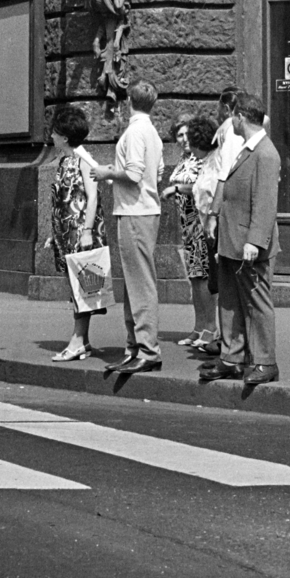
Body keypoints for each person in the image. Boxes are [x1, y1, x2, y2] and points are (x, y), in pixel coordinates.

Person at [199, 93, 281, 390]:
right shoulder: (248, 149)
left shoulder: (265, 153)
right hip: (231, 240)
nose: (230, 120)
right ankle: (232, 358)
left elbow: (265, 203)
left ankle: (265, 362)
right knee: (231, 301)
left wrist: (255, 241)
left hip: (249, 244)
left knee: (257, 302)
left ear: (241, 118)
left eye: (233, 116)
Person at [91, 80, 164, 375]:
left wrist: (106, 172)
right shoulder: (152, 132)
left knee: (140, 282)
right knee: (136, 281)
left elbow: (133, 173)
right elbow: (155, 172)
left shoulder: (134, 131)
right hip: (144, 210)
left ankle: (147, 349)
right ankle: (135, 346)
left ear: (128, 102)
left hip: (135, 212)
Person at [188, 87, 248, 358]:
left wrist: (213, 215)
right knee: (223, 281)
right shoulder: (230, 132)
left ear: (226, 108)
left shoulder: (228, 132)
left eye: (219, 107)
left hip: (225, 218)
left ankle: (230, 342)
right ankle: (227, 339)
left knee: (226, 282)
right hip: (224, 217)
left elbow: (223, 178)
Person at [43, 105, 106, 362]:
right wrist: (53, 232)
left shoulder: (83, 160)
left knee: (84, 287)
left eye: (55, 133)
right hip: (67, 234)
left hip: (81, 233)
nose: (52, 137)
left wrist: (88, 231)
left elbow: (92, 198)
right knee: (78, 288)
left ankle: (77, 340)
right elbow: (61, 199)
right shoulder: (64, 160)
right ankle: (84, 340)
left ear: (65, 137)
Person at [162, 115, 217, 349]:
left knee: (203, 276)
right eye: (179, 136)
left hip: (200, 222)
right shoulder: (184, 159)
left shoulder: (203, 157)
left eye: (187, 135)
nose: (184, 139)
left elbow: (201, 185)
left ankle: (209, 329)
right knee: (194, 278)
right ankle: (198, 328)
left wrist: (176, 188)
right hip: (186, 224)